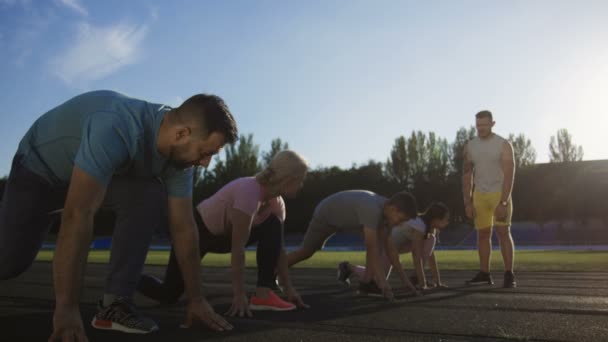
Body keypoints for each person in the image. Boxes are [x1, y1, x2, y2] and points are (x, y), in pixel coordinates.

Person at [0, 90, 238, 341]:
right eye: (205, 153)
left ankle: (115, 305)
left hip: (92, 176)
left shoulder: (180, 160)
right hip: (40, 171)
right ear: (181, 134)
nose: (205, 163)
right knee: (7, 263)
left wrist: (196, 299)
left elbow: (184, 228)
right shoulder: (115, 125)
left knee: (148, 194)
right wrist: (67, 309)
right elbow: (78, 213)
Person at [138, 150, 309, 316]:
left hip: (224, 237)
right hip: (198, 231)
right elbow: (238, 249)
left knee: (273, 224)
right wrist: (239, 294)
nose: (301, 185)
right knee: (168, 294)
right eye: (300, 180)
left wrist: (289, 289)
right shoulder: (249, 190)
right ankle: (129, 278)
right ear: (288, 179)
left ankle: (263, 293)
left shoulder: (277, 205)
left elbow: (278, 250)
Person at [286, 190, 417, 300]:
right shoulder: (372, 209)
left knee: (380, 244)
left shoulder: (386, 215)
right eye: (401, 219)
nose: (400, 224)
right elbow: (372, 249)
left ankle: (366, 283)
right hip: (326, 214)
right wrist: (383, 284)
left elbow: (391, 251)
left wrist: (406, 282)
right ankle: (273, 270)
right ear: (393, 209)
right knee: (307, 251)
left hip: (349, 220)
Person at [338, 202, 451, 292]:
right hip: (384, 244)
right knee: (377, 280)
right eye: (446, 219)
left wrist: (438, 282)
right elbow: (417, 258)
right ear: (436, 219)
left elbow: (430, 255)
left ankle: (415, 278)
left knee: (431, 239)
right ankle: (348, 267)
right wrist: (423, 284)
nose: (447, 222)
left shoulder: (430, 231)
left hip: (394, 247)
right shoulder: (420, 226)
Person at [463, 110, 517, 288]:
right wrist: (467, 201)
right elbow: (466, 174)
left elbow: (510, 174)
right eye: (478, 125)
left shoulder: (503, 144)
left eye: (484, 125)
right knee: (483, 235)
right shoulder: (470, 146)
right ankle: (484, 273)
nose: (481, 129)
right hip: (479, 195)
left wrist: (503, 201)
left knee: (503, 233)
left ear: (492, 124)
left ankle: (509, 274)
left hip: (499, 193)